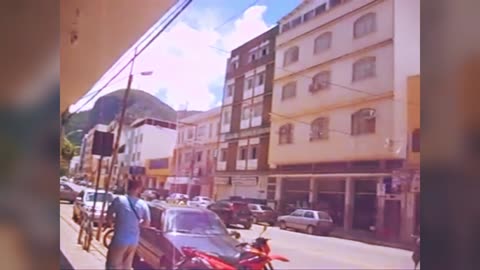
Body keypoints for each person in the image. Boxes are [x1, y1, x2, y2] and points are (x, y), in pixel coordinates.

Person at [105, 179, 151, 270]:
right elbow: (147, 223)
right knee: (126, 266)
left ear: (128, 187)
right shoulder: (143, 204)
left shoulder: (119, 200)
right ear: (138, 189)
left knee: (112, 265)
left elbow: (108, 216)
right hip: (133, 241)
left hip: (119, 239)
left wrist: (113, 223)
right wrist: (136, 224)